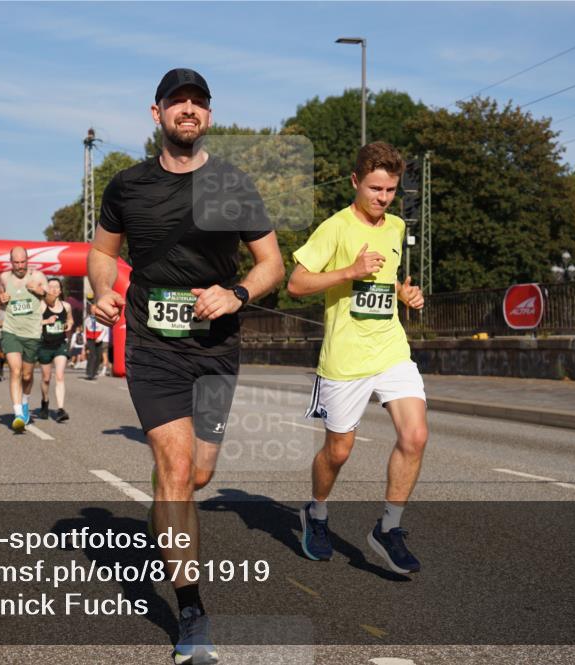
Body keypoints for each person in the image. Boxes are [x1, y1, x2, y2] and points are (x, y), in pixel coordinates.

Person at [87, 68, 284, 665]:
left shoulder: (232, 184)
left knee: (197, 475)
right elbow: (101, 252)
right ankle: (192, 610)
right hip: (152, 344)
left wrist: (238, 294)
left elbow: (272, 263)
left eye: (199, 103)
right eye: (179, 103)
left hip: (216, 346)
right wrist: (102, 289)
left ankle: (168, 512)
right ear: (157, 114)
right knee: (174, 467)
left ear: (209, 117)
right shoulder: (126, 186)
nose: (189, 111)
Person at [288, 142, 428, 574]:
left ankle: (389, 528)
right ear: (355, 181)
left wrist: (405, 294)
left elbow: (384, 282)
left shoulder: (397, 226)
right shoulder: (335, 228)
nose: (382, 197)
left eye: (390, 189)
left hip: (390, 349)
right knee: (339, 451)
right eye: (375, 188)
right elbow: (296, 284)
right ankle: (317, 511)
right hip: (345, 360)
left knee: (416, 435)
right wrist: (348, 271)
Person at [0, 247, 48, 433]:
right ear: (11, 262)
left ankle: (25, 402)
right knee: (15, 370)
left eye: (22, 262)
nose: (19, 266)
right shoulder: (4, 277)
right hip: (11, 330)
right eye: (16, 263)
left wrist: (40, 291)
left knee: (27, 375)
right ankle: (18, 413)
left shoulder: (38, 276)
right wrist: (1, 298)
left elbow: (52, 299)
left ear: (28, 260)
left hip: (33, 332)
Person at [37, 278, 73, 422]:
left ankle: (60, 409)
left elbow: (70, 319)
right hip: (44, 345)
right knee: (46, 378)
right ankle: (45, 401)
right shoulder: (41, 306)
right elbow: (32, 322)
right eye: (50, 287)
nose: (53, 289)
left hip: (60, 344)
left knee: (59, 375)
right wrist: (46, 321)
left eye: (56, 287)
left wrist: (69, 324)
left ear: (60, 290)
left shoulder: (66, 306)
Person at [83, 305, 109, 380]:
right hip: (90, 339)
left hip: (99, 339)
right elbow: (85, 330)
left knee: (98, 357)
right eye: (92, 309)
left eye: (95, 309)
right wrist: (85, 340)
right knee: (92, 355)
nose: (93, 311)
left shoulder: (101, 319)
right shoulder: (87, 319)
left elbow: (105, 329)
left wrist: (100, 338)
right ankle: (89, 372)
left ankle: (94, 372)